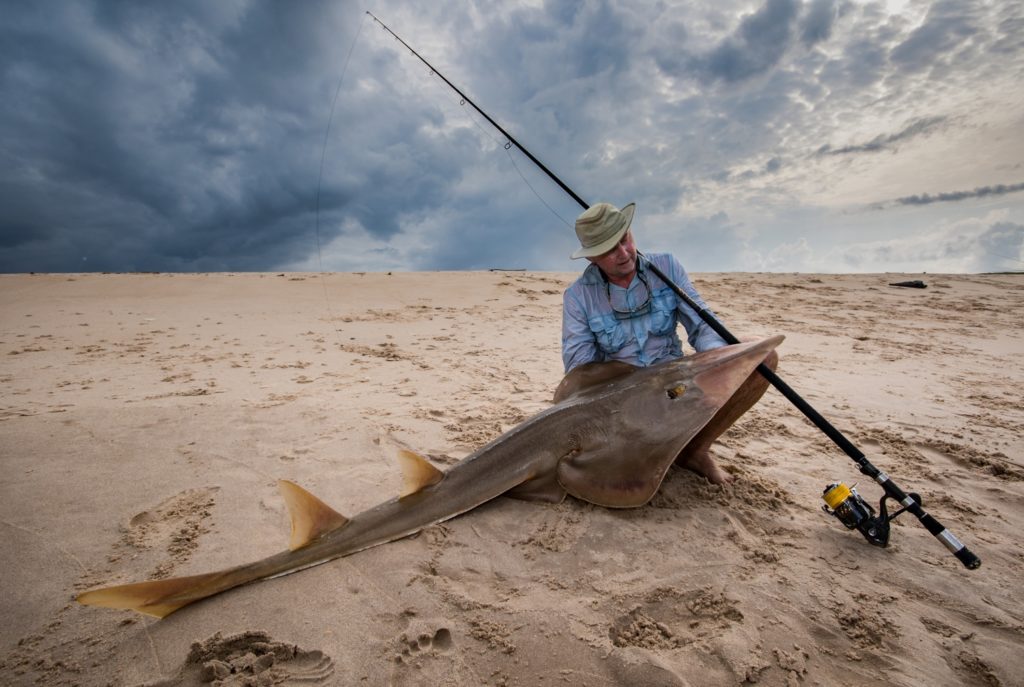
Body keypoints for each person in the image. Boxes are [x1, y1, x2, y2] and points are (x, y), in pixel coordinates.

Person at [561, 202, 778, 484]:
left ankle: (696, 450)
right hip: (624, 398)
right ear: (592, 259)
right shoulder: (577, 296)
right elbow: (580, 370)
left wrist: (720, 365)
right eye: (609, 250)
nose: (624, 253)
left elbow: (703, 327)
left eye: (624, 239)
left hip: (677, 382)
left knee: (762, 357)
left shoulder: (667, 266)